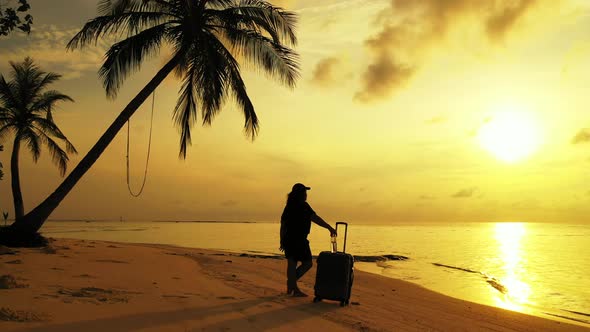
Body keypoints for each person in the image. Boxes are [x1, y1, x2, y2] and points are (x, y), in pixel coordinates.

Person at [279, 183, 337, 297]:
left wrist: (282, 240)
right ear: (300, 194)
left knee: (292, 263)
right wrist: (329, 227)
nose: (306, 195)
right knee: (307, 263)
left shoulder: (289, 206)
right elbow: (315, 218)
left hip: (289, 239)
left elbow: (283, 225)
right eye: (304, 192)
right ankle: (292, 285)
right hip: (299, 239)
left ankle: (292, 285)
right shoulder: (303, 206)